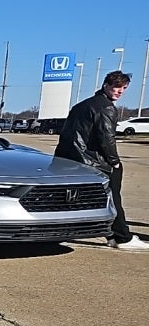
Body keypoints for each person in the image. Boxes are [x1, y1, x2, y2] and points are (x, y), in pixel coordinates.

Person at [54, 70, 148, 251]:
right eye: (116, 86)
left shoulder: (81, 105)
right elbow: (106, 138)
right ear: (106, 85)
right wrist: (114, 162)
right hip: (93, 162)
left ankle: (107, 233)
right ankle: (121, 237)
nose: (120, 91)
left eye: (124, 88)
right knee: (113, 198)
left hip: (69, 160)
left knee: (75, 198)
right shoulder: (105, 107)